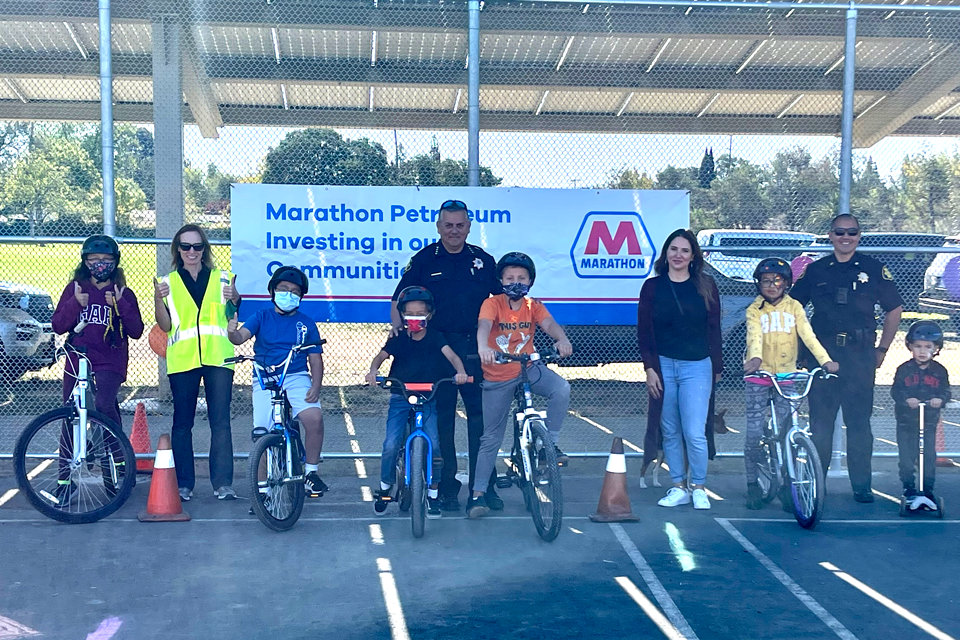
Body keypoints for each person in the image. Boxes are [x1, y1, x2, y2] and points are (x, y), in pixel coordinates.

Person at [391, 199, 502, 512]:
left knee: (482, 422)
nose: (454, 231)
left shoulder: (483, 260)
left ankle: (485, 488)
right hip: (437, 350)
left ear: (469, 226)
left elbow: (501, 300)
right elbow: (400, 299)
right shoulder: (425, 259)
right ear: (439, 227)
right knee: (443, 424)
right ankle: (449, 490)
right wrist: (399, 335)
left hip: (476, 349)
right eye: (448, 225)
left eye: (460, 225)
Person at [790, 214, 903, 503]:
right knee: (821, 424)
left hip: (860, 356)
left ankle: (862, 486)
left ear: (859, 235)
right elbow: (792, 308)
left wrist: (883, 349)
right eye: (840, 232)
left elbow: (894, 309)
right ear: (830, 235)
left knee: (859, 424)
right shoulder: (816, 270)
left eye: (852, 232)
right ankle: (817, 484)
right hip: (823, 356)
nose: (846, 237)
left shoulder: (873, 269)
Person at [467, 252, 573, 519]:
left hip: (528, 368)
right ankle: (477, 495)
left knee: (561, 389)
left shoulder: (533, 305)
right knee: (491, 437)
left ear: (531, 281)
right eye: (510, 278)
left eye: (522, 278)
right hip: (498, 374)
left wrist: (562, 340)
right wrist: (483, 348)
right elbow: (484, 326)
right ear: (500, 280)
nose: (516, 282)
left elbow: (549, 324)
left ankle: (549, 445)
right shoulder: (492, 304)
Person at [742, 257, 838, 511]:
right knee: (753, 433)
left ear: (786, 283)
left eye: (777, 281)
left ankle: (788, 485)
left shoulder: (794, 307)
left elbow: (808, 335)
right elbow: (754, 335)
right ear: (758, 284)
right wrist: (755, 358)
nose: (772, 285)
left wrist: (825, 361)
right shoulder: (754, 309)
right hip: (759, 375)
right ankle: (752, 483)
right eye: (766, 281)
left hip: (786, 376)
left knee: (787, 431)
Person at [366, 286, 469, 518]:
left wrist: (460, 372)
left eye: (420, 313)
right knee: (391, 443)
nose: (415, 318)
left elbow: (452, 356)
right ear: (402, 315)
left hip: (428, 396)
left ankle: (433, 494)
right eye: (410, 313)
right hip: (400, 395)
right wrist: (373, 370)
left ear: (430, 315)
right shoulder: (399, 336)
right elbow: (381, 356)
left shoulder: (435, 336)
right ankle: (384, 487)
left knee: (434, 443)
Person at [154, 224, 240, 502]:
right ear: (177, 250)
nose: (192, 252)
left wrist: (236, 299)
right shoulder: (167, 282)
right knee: (182, 424)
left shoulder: (222, 278)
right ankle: (183, 484)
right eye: (186, 246)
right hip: (183, 360)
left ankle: (223, 483)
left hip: (218, 358)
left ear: (205, 249)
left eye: (197, 246)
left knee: (220, 422)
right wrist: (158, 300)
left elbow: (233, 313)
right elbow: (166, 325)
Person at [637, 229, 722, 510]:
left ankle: (698, 485)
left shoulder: (707, 286)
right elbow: (645, 332)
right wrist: (650, 368)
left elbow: (714, 329)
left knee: (694, 430)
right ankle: (678, 486)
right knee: (670, 429)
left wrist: (716, 367)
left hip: (697, 366)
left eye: (685, 251)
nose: (678, 255)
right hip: (663, 366)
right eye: (673, 249)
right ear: (666, 252)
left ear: (693, 256)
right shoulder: (652, 287)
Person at [227, 266, 328, 502]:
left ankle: (311, 472)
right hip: (265, 377)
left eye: (294, 292)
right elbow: (240, 337)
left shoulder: (306, 323)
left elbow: (315, 358)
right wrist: (232, 333)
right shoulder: (261, 316)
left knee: (314, 418)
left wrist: (316, 385)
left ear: (301, 297)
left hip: (295, 376)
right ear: (272, 291)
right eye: (283, 289)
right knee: (262, 433)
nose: (289, 294)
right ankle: (263, 491)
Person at [52, 235, 144, 428]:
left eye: (106, 259)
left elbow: (136, 331)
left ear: (115, 262)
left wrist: (120, 304)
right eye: (94, 259)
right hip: (78, 356)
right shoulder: (76, 289)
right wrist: (75, 303)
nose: (100, 264)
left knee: (103, 403)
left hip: (110, 358)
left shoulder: (122, 292)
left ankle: (117, 455)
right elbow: (58, 326)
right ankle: (69, 458)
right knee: (71, 408)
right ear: (85, 262)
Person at [891, 320, 950, 510]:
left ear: (936, 348)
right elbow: (896, 391)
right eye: (918, 346)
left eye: (927, 347)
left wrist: (940, 399)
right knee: (907, 458)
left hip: (929, 423)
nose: (922, 351)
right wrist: (907, 400)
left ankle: (928, 490)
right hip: (907, 422)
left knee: (928, 457)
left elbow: (946, 391)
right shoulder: (904, 370)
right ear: (910, 346)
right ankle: (909, 489)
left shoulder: (939, 371)